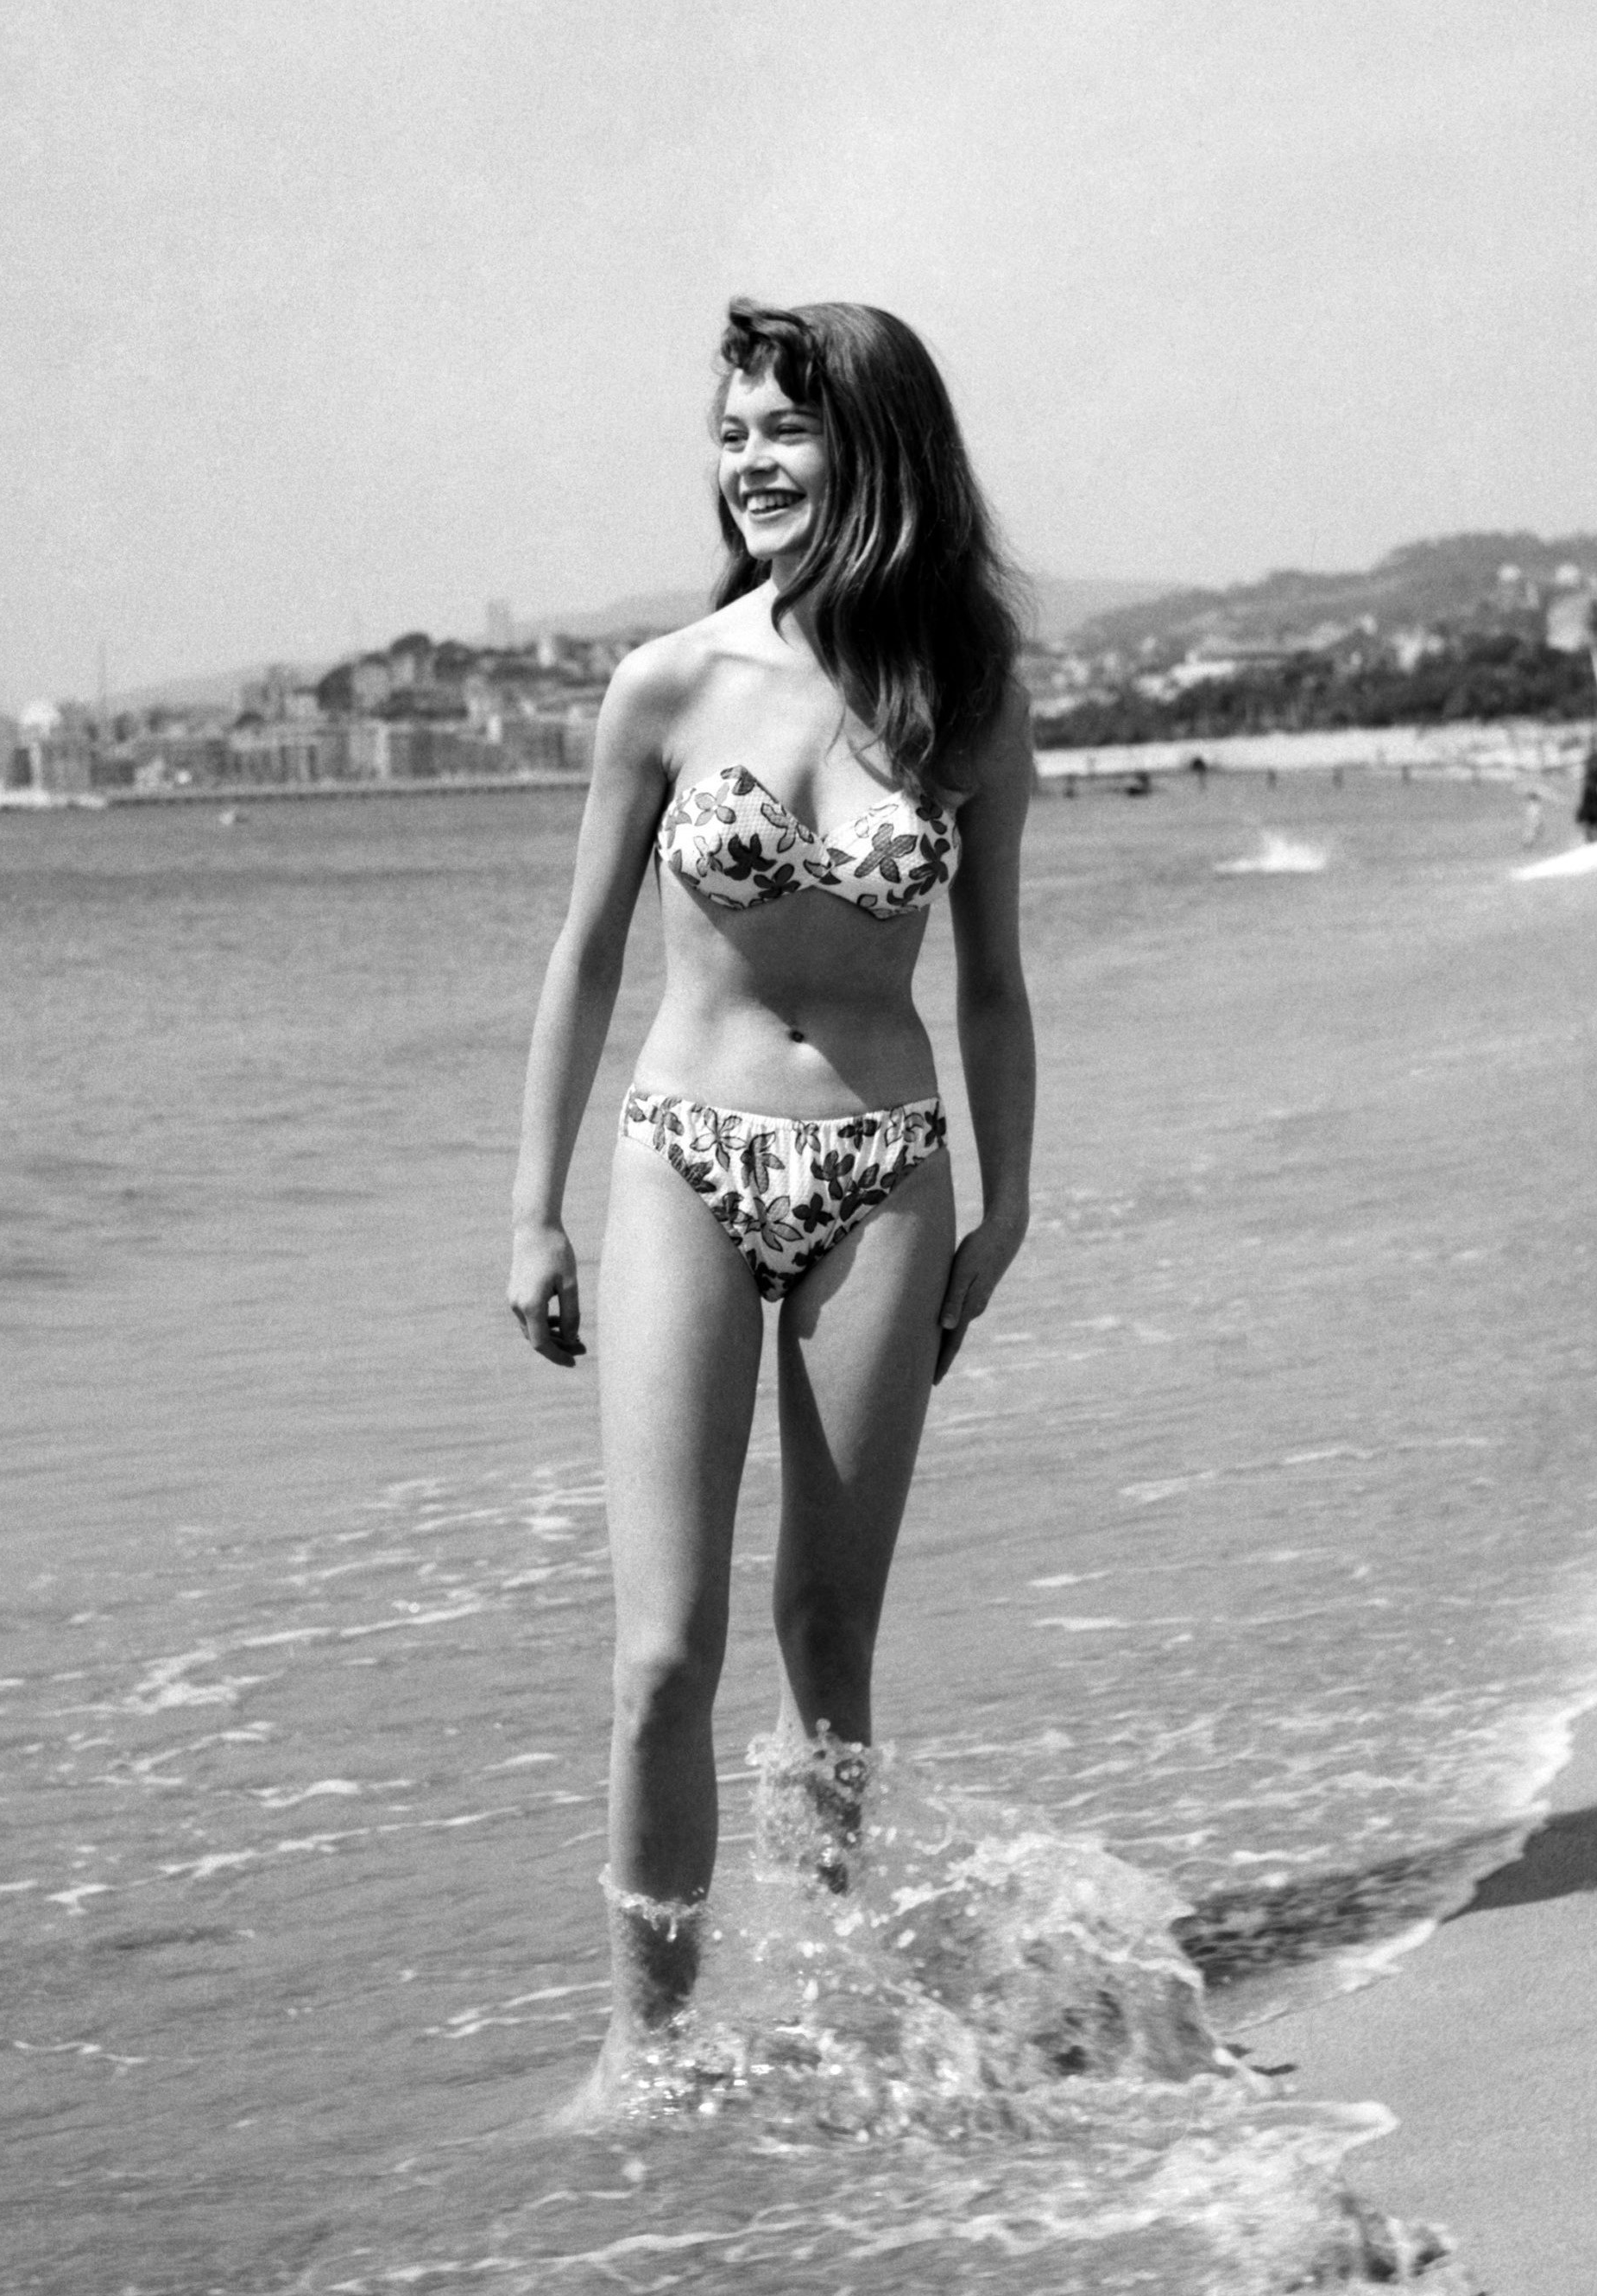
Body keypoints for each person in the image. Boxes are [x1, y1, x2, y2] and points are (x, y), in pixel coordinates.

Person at [507, 299, 1035, 2088]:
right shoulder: (664, 686)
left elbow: (992, 985)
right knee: (663, 1654)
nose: (748, 461)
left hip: (883, 1174)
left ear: (870, 449)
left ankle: (833, 2009)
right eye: (729, 432)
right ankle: (640, 2052)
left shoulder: (965, 699)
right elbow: (584, 955)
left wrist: (1009, 1203)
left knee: (827, 1638)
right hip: (682, 1157)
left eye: (783, 429)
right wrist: (532, 1207)